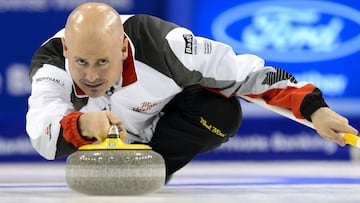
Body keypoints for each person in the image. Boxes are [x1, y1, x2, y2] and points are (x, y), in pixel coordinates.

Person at [26, 2, 357, 182]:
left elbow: (248, 74)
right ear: (67, 49)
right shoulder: (50, 64)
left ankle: (152, 168)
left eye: (103, 62)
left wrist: (316, 110)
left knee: (222, 113)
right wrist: (84, 126)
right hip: (97, 139)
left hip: (165, 122)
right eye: (81, 62)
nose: (91, 76)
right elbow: (44, 134)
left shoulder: (167, 46)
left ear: (124, 50)